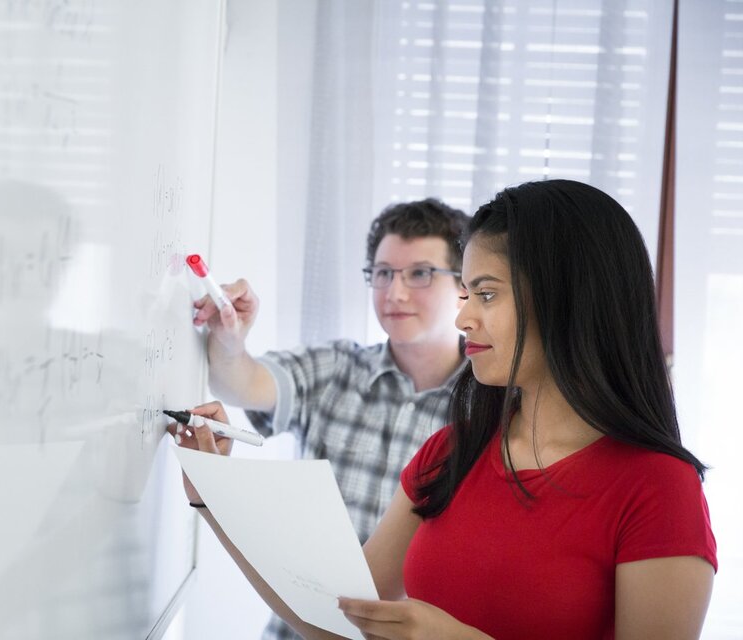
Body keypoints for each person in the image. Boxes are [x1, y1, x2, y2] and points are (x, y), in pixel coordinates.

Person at [173, 179, 717, 639]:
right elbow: (338, 616)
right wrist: (216, 497)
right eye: (467, 296)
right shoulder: (451, 451)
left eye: (485, 294)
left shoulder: (657, 488)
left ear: (567, 299)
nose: (464, 320)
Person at [192, 199, 470, 639]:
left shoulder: (493, 407)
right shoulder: (337, 366)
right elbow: (240, 382)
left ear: (464, 287)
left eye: (419, 273)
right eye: (382, 273)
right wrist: (229, 340)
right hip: (302, 629)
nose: (394, 293)